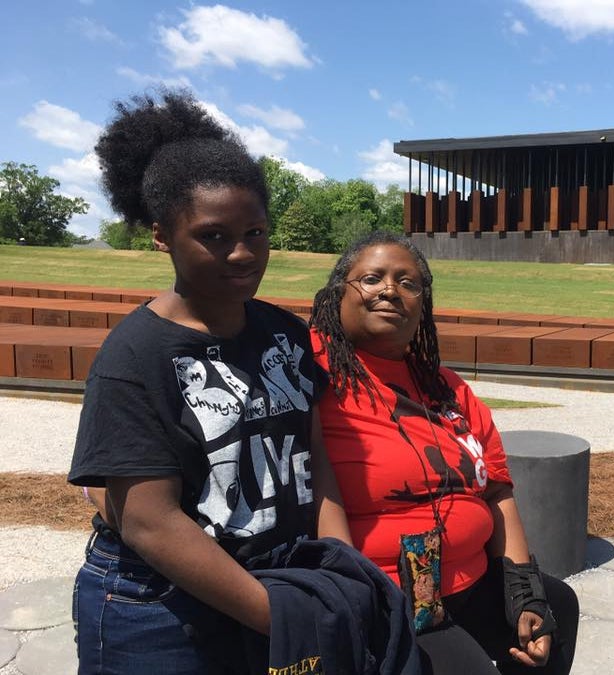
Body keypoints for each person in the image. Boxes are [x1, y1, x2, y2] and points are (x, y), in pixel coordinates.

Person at [68, 90, 352, 674]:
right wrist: (282, 616)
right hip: (159, 609)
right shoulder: (135, 356)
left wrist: (340, 570)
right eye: (215, 236)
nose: (243, 253)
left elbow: (313, 457)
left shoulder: (284, 333)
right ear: (161, 236)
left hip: (276, 579)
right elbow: (148, 520)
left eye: (256, 232)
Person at [309, 231, 579, 674]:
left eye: (408, 283)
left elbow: (496, 489)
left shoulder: (447, 387)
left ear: (423, 304)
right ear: (339, 292)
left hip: (469, 576)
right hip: (387, 596)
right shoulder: (313, 377)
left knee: (557, 606)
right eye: (371, 278)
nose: (391, 290)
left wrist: (523, 591)